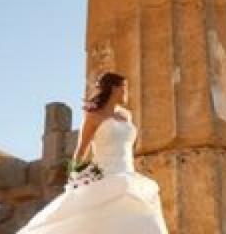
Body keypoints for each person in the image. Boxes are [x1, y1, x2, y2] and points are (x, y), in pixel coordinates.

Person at [17, 72, 169, 233]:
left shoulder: (126, 116)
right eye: (125, 88)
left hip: (127, 176)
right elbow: (81, 150)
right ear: (114, 88)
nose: (126, 93)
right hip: (103, 176)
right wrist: (75, 178)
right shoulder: (93, 117)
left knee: (146, 223)